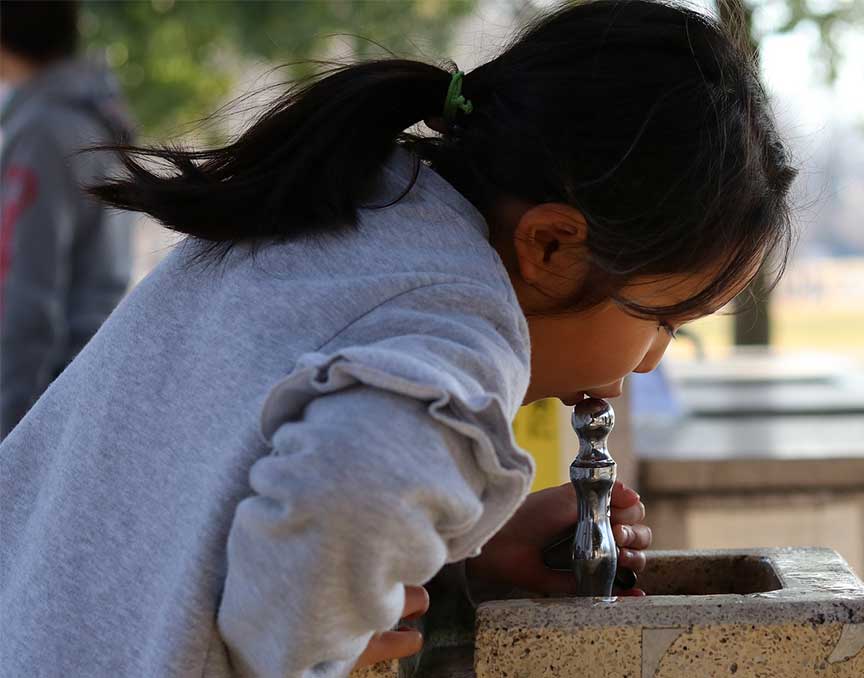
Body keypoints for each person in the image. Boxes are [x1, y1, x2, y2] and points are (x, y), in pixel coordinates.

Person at [0, 0, 797, 675]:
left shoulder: (357, 205)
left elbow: (236, 480)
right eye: (661, 321)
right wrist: (312, 643)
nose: (646, 363)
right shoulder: (463, 321)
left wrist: (460, 543)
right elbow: (356, 476)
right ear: (551, 246)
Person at [0, 0, 135, 438]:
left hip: (43, 405)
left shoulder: (43, 132)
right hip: (84, 389)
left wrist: (11, 438)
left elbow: (28, 301)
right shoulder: (94, 116)